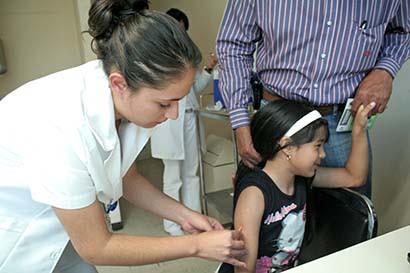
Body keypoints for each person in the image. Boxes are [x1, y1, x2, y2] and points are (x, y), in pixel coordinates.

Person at [0, 1, 247, 272]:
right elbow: (97, 247)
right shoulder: (61, 126)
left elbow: (127, 179)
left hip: (63, 227)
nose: (174, 113)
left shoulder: (126, 100)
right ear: (119, 84)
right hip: (15, 236)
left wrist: (185, 215)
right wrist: (197, 246)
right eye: (165, 104)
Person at [216, 0, 410, 198]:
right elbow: (234, 45)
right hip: (277, 117)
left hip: (342, 120)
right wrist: (240, 120)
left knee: (349, 215)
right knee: (268, 212)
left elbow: (404, 30)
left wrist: (385, 70)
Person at [217, 99, 375, 273]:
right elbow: (243, 268)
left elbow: (355, 177)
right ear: (287, 147)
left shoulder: (301, 178)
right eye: (318, 146)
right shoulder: (254, 193)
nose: (323, 154)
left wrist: (359, 130)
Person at [150, 8, 218, 236]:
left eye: (182, 30)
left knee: (191, 173)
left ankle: (194, 220)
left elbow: (196, 87)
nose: (179, 34)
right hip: (168, 121)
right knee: (173, 176)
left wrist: (208, 69)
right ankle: (172, 225)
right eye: (176, 29)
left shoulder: (189, 56)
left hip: (190, 117)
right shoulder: (156, 54)